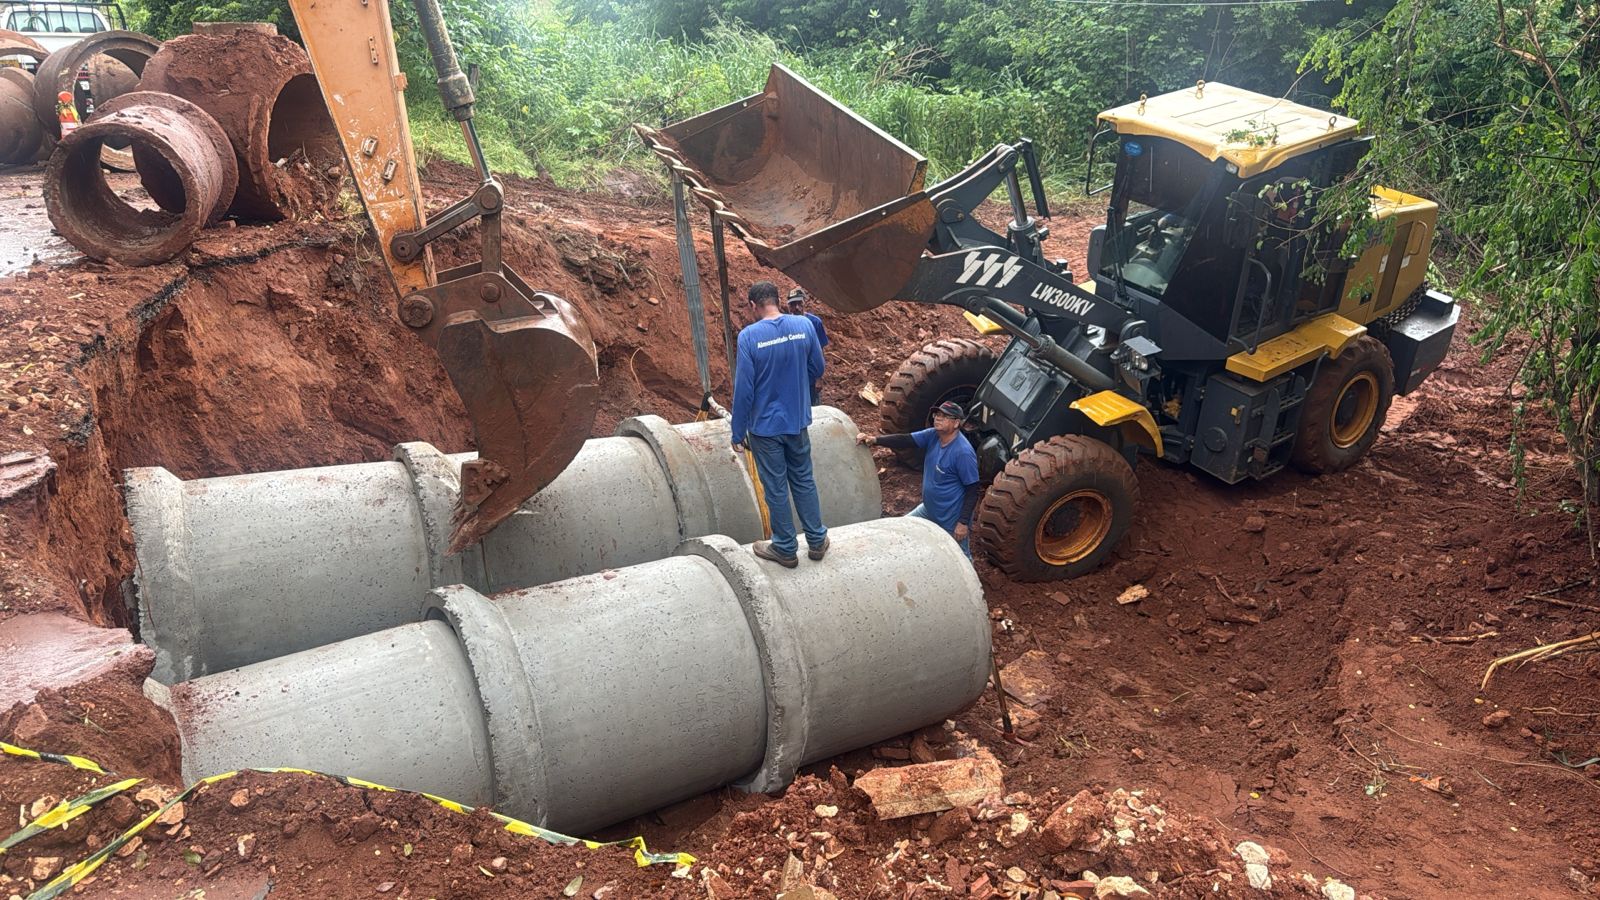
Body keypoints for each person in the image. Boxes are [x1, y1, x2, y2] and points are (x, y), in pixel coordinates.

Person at [731, 281, 829, 568]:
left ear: (753, 305)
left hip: (764, 429)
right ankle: (816, 539)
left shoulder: (749, 337)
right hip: (797, 421)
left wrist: (737, 431)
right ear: (778, 301)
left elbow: (744, 389)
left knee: (775, 487)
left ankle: (785, 547)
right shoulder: (804, 326)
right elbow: (818, 368)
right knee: (803, 479)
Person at [856, 401, 980, 557]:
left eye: (945, 416)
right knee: (901, 528)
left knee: (960, 557)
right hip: (929, 510)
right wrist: (875, 440)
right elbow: (906, 439)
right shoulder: (933, 435)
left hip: (951, 519)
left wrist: (962, 523)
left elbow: (973, 489)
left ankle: (972, 582)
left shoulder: (963, 452)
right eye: (938, 414)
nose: (938, 419)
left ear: (956, 423)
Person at [786, 287, 829, 406]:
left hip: (810, 378)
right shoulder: (784, 325)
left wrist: (819, 378)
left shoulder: (815, 323)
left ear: (804, 302)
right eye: (793, 304)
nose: (797, 308)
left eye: (799, 303)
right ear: (788, 306)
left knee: (813, 411)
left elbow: (820, 351)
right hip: (791, 379)